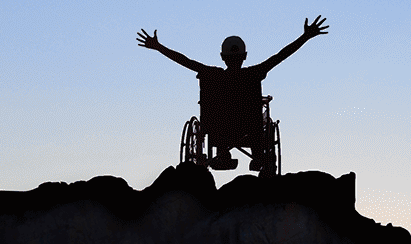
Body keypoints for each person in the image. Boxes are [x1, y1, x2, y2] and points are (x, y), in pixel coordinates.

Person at [136, 17, 328, 170]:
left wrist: (158, 47)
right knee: (254, 122)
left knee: (218, 119)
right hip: (249, 128)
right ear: (245, 56)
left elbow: (185, 61)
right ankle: (258, 156)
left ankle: (222, 153)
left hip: (218, 128)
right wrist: (305, 37)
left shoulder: (211, 75)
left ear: (222, 57)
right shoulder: (253, 74)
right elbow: (280, 56)